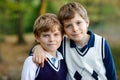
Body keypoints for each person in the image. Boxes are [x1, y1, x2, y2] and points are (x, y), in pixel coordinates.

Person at [31, 2, 117, 80]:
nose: (75, 29)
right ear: (63, 30)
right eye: (68, 26)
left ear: (87, 22)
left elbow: (111, 74)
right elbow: (45, 50)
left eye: (78, 23)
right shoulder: (63, 44)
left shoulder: (101, 43)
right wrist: (37, 48)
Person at [21, 13, 68, 80]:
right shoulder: (32, 62)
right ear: (37, 37)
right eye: (46, 35)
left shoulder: (64, 58)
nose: (51, 39)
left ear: (62, 36)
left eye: (56, 34)